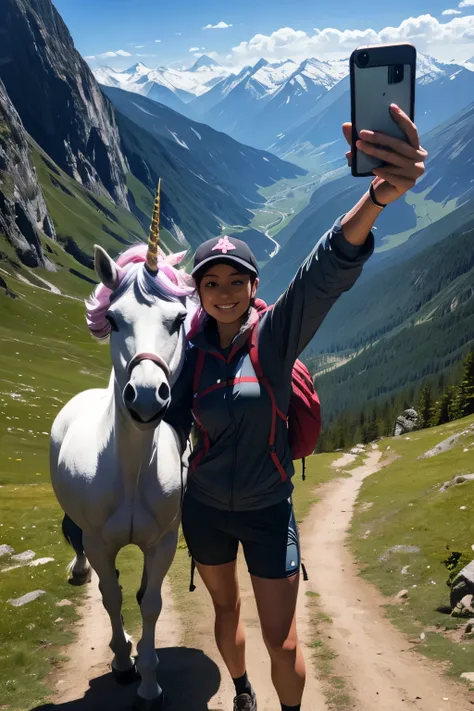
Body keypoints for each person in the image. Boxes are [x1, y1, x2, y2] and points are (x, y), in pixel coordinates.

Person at [166, 107, 427, 711]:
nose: (225, 292)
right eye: (212, 283)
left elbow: (323, 274)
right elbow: (167, 425)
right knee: (224, 609)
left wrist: (376, 201)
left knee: (283, 642)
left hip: (267, 511)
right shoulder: (188, 355)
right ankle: (241, 690)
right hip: (203, 508)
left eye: (237, 281)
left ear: (254, 287)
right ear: (199, 292)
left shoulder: (273, 338)